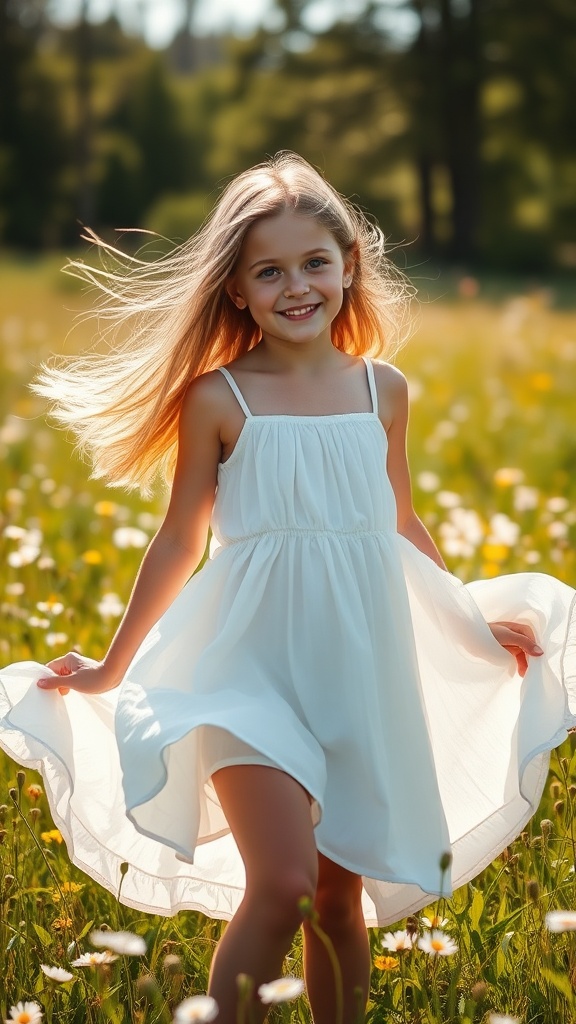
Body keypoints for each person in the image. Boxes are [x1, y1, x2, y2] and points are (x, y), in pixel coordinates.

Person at [0, 151, 574, 1024]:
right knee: (281, 883)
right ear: (235, 288)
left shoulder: (383, 390)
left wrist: (472, 625)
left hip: (359, 669)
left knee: (339, 901)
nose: (296, 285)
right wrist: (113, 669)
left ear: (350, 265)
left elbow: (401, 526)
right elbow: (178, 540)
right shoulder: (219, 398)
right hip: (245, 670)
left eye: (314, 263)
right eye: (269, 270)